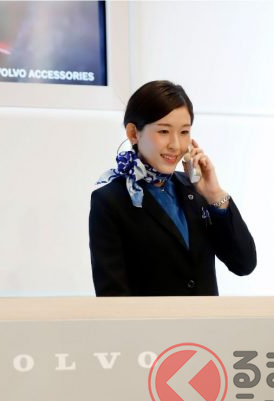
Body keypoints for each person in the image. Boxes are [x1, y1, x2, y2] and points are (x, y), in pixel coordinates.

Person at [89, 80, 256, 296]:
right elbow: (112, 295)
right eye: (164, 131)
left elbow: (244, 264)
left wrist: (214, 194)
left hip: (207, 319)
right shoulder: (111, 199)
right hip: (153, 320)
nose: (176, 145)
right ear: (133, 133)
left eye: (184, 132)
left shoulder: (195, 189)